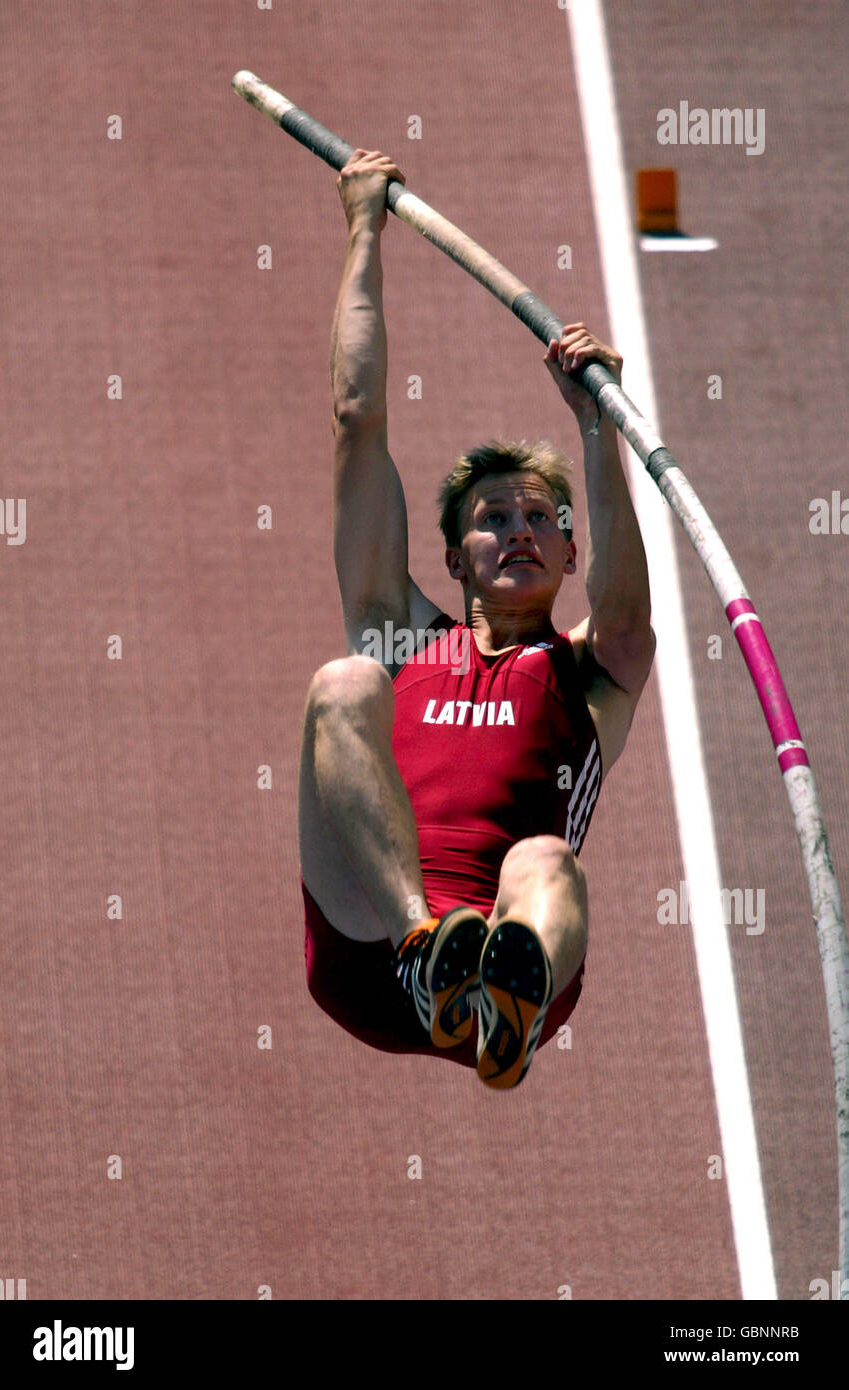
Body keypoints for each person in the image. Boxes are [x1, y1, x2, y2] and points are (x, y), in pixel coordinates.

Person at [298, 149, 656, 1089]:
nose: (520, 530)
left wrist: (598, 425)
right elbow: (356, 420)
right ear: (454, 559)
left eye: (543, 517)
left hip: (507, 960)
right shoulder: (401, 634)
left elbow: (625, 614)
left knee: (546, 858)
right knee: (344, 682)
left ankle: (504, 1013)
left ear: (572, 554)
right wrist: (364, 230)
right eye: (494, 518)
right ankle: (425, 947)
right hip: (374, 948)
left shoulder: (588, 673)